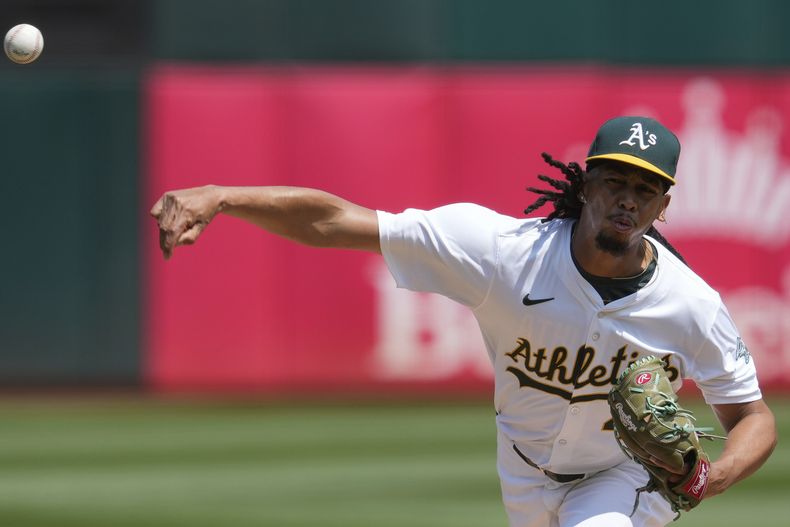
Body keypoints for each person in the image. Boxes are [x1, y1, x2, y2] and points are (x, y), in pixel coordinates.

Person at [150, 116, 776, 527]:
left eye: (646, 189)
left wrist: (716, 475)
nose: (628, 199)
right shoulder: (501, 252)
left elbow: (752, 416)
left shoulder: (689, 303)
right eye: (616, 180)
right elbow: (339, 222)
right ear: (586, 184)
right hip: (524, 471)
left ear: (664, 205)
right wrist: (222, 195)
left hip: (624, 476)